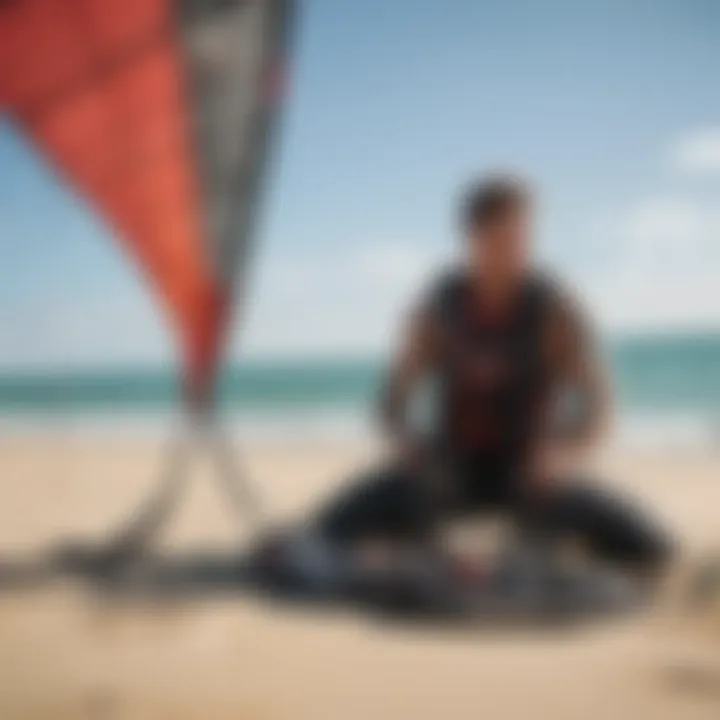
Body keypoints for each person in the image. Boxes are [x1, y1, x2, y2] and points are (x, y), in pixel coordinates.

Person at [278, 174, 673, 588]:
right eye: (501, 241)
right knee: (332, 527)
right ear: (472, 239)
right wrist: (406, 441)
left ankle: (540, 545)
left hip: (529, 473)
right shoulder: (440, 309)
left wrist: (564, 454)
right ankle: (410, 545)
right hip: (450, 469)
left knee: (649, 544)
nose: (515, 254)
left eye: (522, 240)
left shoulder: (553, 309)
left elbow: (600, 402)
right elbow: (390, 402)